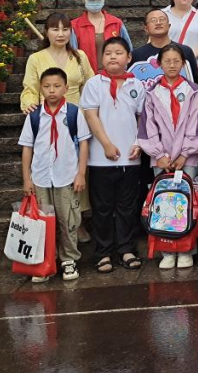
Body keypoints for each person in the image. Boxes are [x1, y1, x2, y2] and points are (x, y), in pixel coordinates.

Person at [136, 44, 198, 269]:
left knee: (187, 203)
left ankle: (186, 250)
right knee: (164, 202)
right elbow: (148, 127)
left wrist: (185, 153)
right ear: (159, 64)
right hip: (161, 159)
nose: (172, 65)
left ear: (183, 63)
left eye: (177, 61)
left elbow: (196, 125)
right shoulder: (152, 93)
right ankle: (166, 250)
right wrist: (159, 155)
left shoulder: (193, 91)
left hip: (188, 158)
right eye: (167, 61)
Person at [19, 67, 90, 282]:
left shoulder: (73, 113)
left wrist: (81, 173)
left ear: (66, 88)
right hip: (41, 178)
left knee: (68, 220)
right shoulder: (34, 116)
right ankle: (44, 261)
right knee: (42, 221)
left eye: (57, 86)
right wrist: (27, 179)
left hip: (66, 176)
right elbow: (27, 148)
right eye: (47, 86)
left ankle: (69, 259)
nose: (52, 90)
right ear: (40, 88)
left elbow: (84, 144)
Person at [81, 37, 146, 274]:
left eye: (118, 53)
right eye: (108, 53)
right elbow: (91, 116)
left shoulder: (137, 85)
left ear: (128, 57)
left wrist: (139, 143)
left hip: (130, 158)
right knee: (103, 208)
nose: (112, 57)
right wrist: (107, 144)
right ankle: (103, 253)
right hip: (101, 159)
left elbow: (142, 118)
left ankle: (126, 249)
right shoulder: (94, 84)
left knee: (127, 207)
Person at [21, 12, 96, 114]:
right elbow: (30, 89)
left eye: (65, 29)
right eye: (55, 30)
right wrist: (30, 103)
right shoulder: (35, 59)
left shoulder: (80, 56)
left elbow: (90, 85)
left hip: (76, 115)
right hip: (48, 115)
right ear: (46, 32)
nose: (61, 34)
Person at [71, 0, 132, 71]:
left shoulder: (116, 23)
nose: (95, 1)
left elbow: (128, 49)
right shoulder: (75, 26)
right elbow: (72, 54)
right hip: (87, 77)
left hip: (114, 75)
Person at [129, 9, 198, 85]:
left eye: (162, 19)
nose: (158, 23)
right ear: (146, 28)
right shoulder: (136, 54)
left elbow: (195, 80)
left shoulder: (185, 51)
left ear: (169, 26)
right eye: (153, 20)